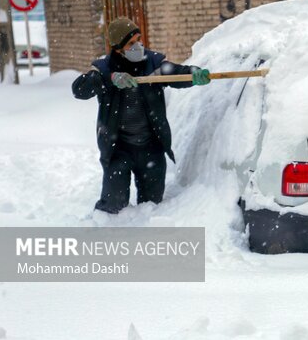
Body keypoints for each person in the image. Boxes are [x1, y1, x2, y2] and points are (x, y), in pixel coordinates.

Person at [72, 17, 210, 214]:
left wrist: (193, 74)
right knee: (113, 207)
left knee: (152, 207)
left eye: (139, 39)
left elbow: (175, 73)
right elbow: (79, 89)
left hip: (150, 147)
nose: (138, 45)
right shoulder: (104, 68)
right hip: (118, 149)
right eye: (130, 43)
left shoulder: (152, 63)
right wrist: (110, 79)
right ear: (118, 47)